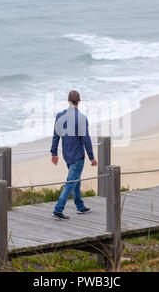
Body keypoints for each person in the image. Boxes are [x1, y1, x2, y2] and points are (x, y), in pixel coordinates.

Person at [50, 90, 97, 220]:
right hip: (77, 155)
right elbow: (86, 139)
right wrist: (92, 157)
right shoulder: (81, 118)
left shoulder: (60, 116)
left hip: (67, 154)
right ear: (79, 101)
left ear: (68, 101)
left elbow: (56, 136)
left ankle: (80, 206)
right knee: (71, 182)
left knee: (76, 179)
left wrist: (54, 153)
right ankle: (58, 209)